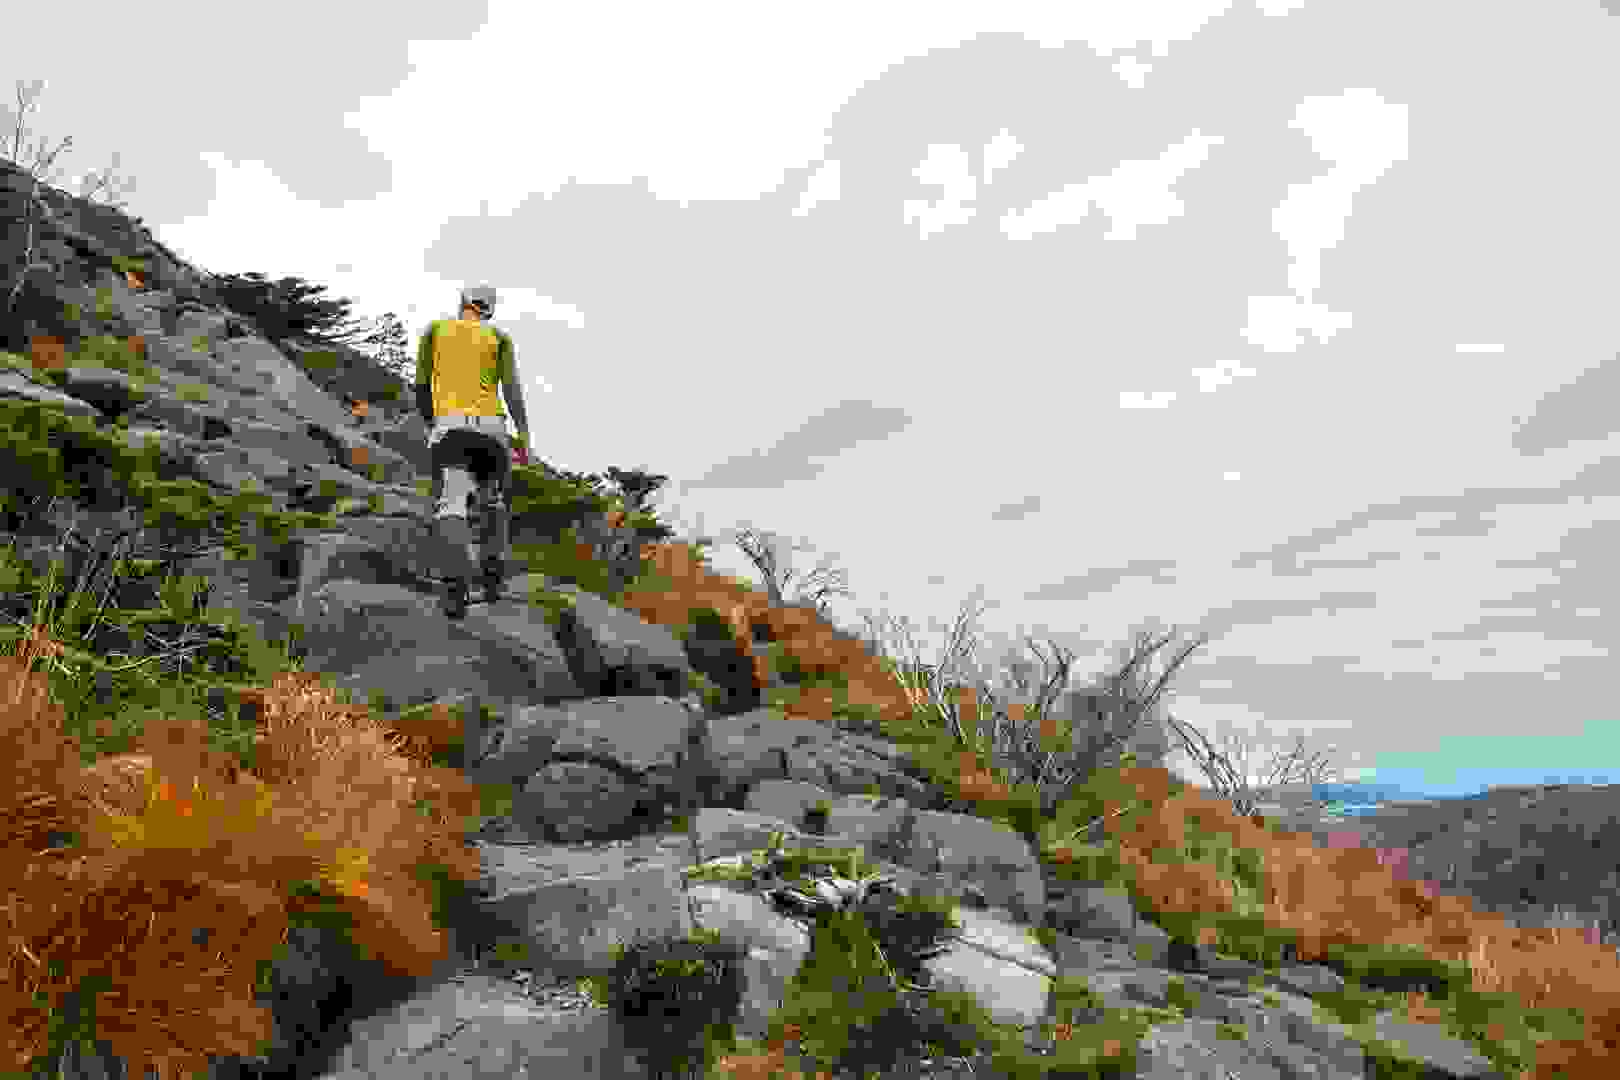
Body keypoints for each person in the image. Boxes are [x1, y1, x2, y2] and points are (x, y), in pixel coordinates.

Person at [415, 284, 531, 617]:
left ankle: (455, 591)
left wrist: (431, 423)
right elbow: (512, 391)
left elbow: (422, 386)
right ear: (489, 311)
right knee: (491, 500)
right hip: (493, 431)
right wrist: (523, 437)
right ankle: (493, 579)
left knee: (452, 504)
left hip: (451, 428)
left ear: (463, 303)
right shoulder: (499, 338)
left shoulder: (436, 330)